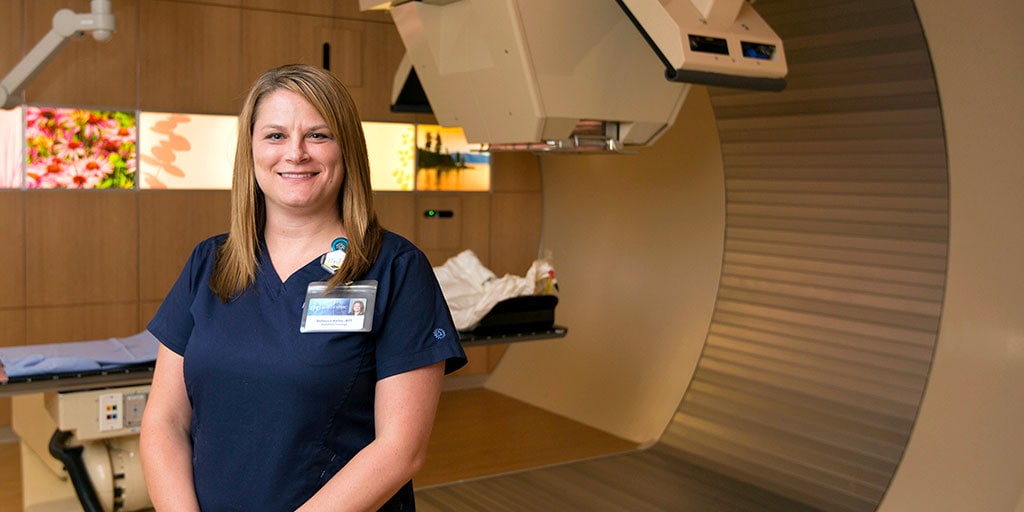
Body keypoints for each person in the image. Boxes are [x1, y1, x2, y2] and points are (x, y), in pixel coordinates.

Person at [140, 64, 467, 512]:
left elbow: (400, 450)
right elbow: (165, 420)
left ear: (346, 149)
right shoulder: (209, 263)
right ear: (251, 150)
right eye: (275, 136)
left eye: (318, 135)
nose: (295, 153)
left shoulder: (396, 268)